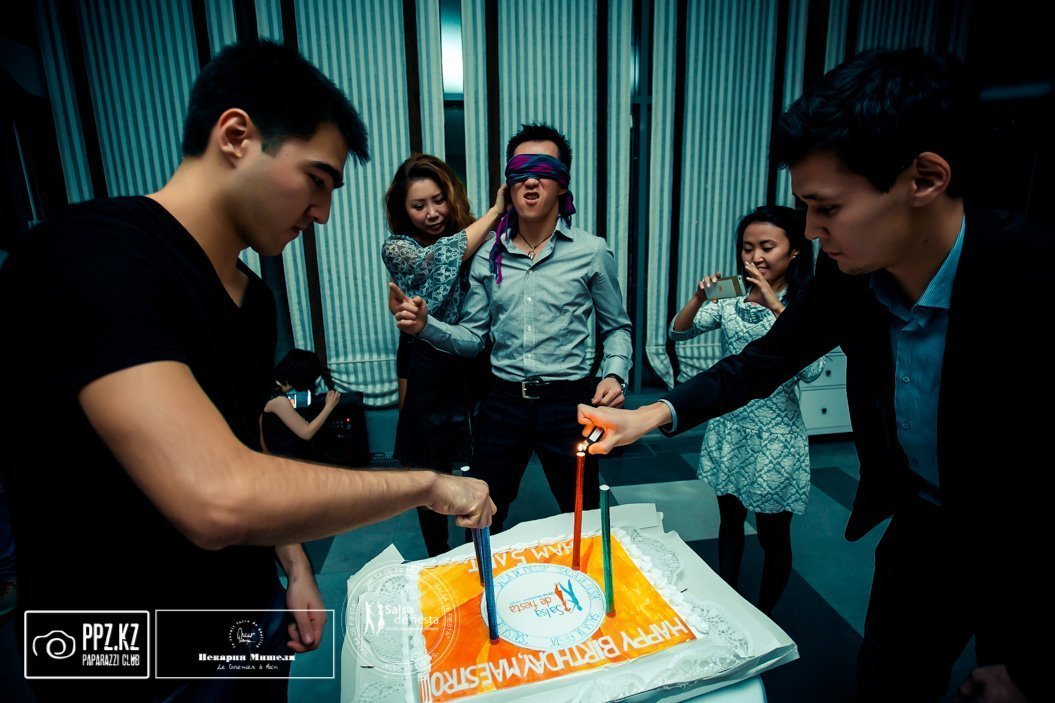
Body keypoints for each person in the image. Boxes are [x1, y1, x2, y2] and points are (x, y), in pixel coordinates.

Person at [0, 41, 493, 700]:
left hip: (243, 615)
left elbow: (246, 443)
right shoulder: (89, 254)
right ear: (236, 136)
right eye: (315, 180)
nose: (321, 213)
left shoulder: (254, 299)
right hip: (118, 649)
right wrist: (427, 484)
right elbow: (217, 495)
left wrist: (294, 566)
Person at [577, 49, 1043, 702]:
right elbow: (763, 361)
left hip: (1027, 537)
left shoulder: (1032, 276)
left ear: (925, 178)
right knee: (886, 679)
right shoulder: (847, 274)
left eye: (826, 207)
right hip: (922, 521)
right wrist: (648, 415)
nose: (812, 232)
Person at [393, 123, 632, 534]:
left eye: (544, 169)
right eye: (521, 171)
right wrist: (426, 326)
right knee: (481, 516)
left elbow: (617, 328)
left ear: (562, 183)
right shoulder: (488, 255)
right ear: (509, 183)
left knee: (584, 515)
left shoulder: (592, 252)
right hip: (503, 404)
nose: (531, 180)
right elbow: (473, 338)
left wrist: (614, 373)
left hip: (568, 405)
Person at [668, 205, 823, 616]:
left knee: (773, 535)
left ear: (794, 250)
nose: (755, 257)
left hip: (776, 436)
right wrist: (699, 296)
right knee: (729, 521)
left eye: (767, 247)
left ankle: (765, 617)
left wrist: (775, 306)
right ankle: (729, 600)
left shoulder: (805, 303)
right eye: (747, 247)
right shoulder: (733, 292)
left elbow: (813, 371)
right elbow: (678, 332)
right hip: (730, 426)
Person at [381, 154, 506, 555]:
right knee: (430, 470)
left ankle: (478, 551)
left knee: (483, 463)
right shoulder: (398, 248)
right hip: (429, 362)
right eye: (418, 205)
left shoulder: (478, 237)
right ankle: (437, 553)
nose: (432, 213)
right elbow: (442, 259)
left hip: (474, 361)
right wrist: (494, 213)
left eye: (439, 200)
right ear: (403, 210)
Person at [261, 348, 342, 458]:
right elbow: (306, 433)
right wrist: (329, 406)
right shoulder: (278, 399)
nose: (312, 385)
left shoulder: (270, 387)